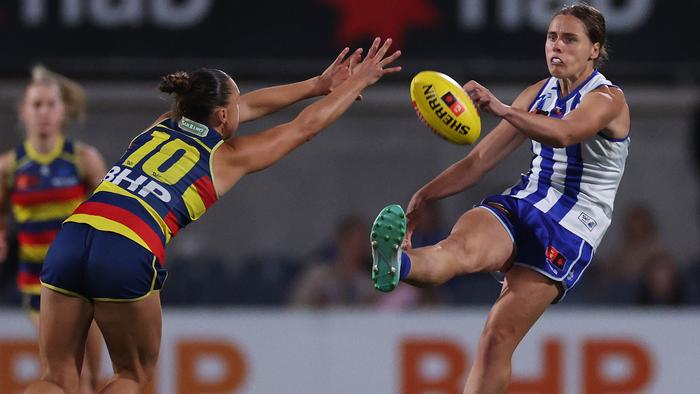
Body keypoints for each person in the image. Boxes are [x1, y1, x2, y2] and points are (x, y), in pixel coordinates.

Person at [24, 37, 400, 394]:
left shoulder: (157, 126)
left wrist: (317, 84)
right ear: (222, 114)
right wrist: (355, 84)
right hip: (129, 244)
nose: (244, 108)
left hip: (73, 236)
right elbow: (303, 128)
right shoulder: (226, 159)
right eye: (235, 106)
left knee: (55, 378)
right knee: (132, 374)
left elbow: (247, 107)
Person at [369, 4, 629, 393]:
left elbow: (564, 133)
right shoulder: (537, 93)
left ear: (594, 49)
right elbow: (478, 160)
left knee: (497, 337)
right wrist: (423, 195)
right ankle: (396, 264)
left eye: (569, 39)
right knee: (457, 250)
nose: (557, 46)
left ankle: (402, 266)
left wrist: (500, 108)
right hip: (523, 201)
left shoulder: (608, 100)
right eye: (552, 37)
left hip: (571, 227)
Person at [0, 66, 107, 393]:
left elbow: (108, 210)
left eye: (50, 104)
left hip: (84, 278)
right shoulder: (10, 166)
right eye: (36, 105)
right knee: (67, 373)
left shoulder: (83, 160)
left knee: (90, 376)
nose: (43, 112)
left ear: (63, 112)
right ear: (23, 111)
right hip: (38, 285)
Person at [290, 214, 377, 307]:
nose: (355, 249)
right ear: (340, 241)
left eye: (360, 244)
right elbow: (296, 308)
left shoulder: (369, 282)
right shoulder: (317, 276)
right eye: (350, 243)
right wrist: (316, 305)